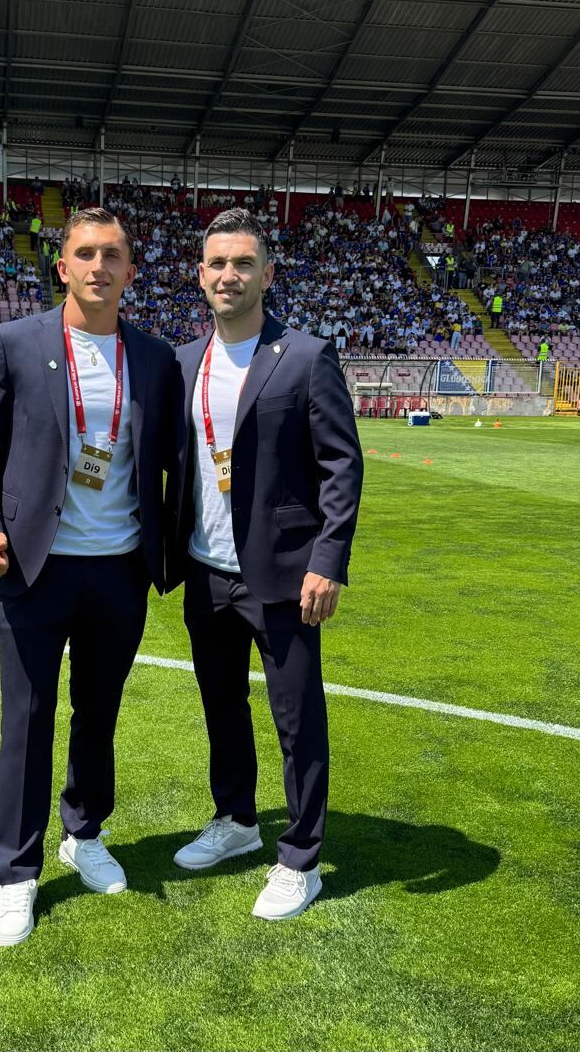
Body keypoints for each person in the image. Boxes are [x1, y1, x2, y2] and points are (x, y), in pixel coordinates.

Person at [0, 207, 175, 948]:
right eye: (84, 253)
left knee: (98, 713)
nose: (98, 267)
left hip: (119, 569)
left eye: (112, 255)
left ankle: (84, 834)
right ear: (62, 267)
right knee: (26, 720)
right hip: (34, 567)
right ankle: (17, 874)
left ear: (130, 270)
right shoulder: (15, 344)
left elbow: (170, 461)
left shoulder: (155, 358)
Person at [166, 208, 363, 921]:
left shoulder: (307, 357)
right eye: (217, 264)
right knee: (222, 707)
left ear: (266, 274)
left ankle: (301, 858)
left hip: (283, 575)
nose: (229, 276)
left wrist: (329, 559)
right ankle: (237, 821)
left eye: (243, 264)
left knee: (296, 717)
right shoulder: (183, 361)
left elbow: (342, 464)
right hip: (205, 570)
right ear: (201, 275)